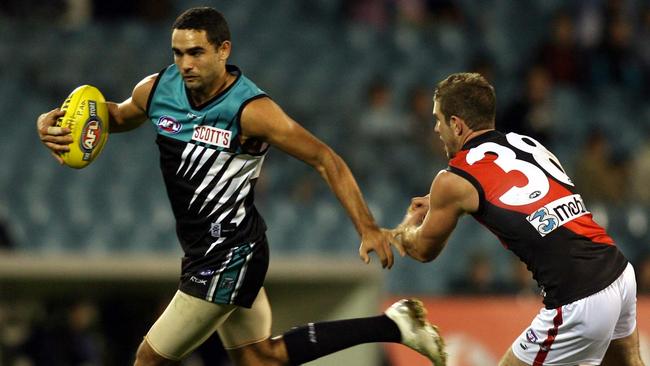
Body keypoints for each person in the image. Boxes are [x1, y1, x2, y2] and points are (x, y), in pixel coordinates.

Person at [35, 7, 445, 366]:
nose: (185, 63)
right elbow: (119, 115)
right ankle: (393, 325)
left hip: (230, 251)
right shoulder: (157, 89)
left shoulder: (252, 111)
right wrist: (62, 124)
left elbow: (325, 158)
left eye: (196, 52)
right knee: (260, 358)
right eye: (178, 53)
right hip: (203, 250)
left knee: (148, 359)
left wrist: (367, 226)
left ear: (223, 50)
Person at [389, 72, 644, 365]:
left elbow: (422, 249)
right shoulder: (525, 143)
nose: (436, 128)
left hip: (578, 295)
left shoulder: (453, 178)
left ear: (457, 125)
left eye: (439, 119)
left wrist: (406, 224)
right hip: (618, 270)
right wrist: (446, 202)